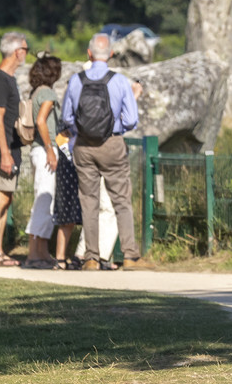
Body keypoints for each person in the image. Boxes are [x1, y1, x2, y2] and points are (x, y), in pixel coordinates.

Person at [61, 33, 153, 270]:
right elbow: (132, 119)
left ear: (89, 54)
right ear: (111, 54)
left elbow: (67, 117)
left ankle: (91, 256)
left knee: (89, 201)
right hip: (112, 144)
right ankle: (131, 255)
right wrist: (114, 128)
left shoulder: (75, 81)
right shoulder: (120, 81)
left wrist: (83, 130)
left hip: (83, 146)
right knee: (121, 200)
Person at [0, 31, 29, 266]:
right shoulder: (0, 79)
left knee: (6, 198)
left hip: (11, 146)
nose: (26, 54)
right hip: (4, 148)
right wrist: (6, 154)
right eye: (25, 49)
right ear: (16, 51)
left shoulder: (9, 78)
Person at [22, 53, 63, 269]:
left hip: (37, 150)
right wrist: (50, 149)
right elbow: (41, 121)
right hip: (46, 149)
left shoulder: (35, 91)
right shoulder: (47, 93)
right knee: (45, 200)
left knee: (43, 199)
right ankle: (34, 255)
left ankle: (42, 251)